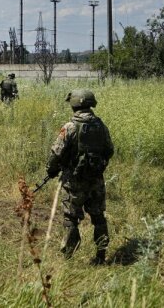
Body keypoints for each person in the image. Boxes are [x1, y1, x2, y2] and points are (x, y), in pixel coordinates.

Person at [45, 89, 114, 265]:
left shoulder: (70, 127)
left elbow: (56, 154)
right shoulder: (100, 125)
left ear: (74, 104)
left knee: (71, 218)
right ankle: (101, 256)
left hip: (73, 182)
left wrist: (51, 170)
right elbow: (109, 150)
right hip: (96, 180)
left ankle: (68, 258)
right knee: (99, 217)